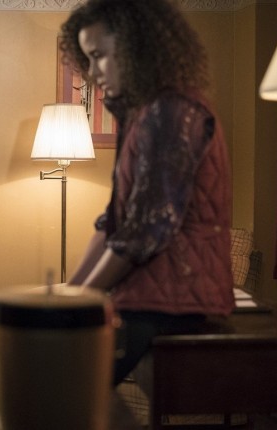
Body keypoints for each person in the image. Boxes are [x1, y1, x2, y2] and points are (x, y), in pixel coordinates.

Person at [60, 0, 235, 386]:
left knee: (67, 383)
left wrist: (82, 301)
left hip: (175, 298)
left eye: (99, 56)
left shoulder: (173, 111)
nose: (92, 73)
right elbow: (113, 222)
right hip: (148, 293)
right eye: (87, 59)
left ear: (135, 46)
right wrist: (71, 296)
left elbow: (146, 230)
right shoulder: (143, 113)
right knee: (57, 371)